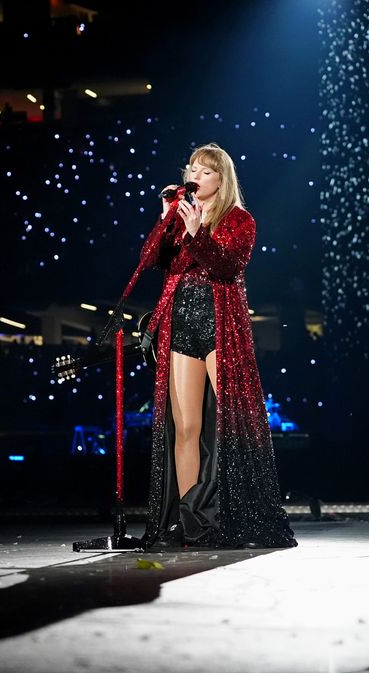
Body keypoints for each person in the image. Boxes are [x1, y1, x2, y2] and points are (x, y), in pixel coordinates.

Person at [100, 143, 295, 550]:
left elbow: (228, 266)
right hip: (181, 321)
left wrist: (196, 234)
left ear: (221, 179)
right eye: (191, 168)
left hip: (219, 321)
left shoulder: (240, 220)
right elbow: (150, 258)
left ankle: (235, 511)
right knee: (185, 426)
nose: (195, 175)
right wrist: (166, 218)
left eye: (204, 171)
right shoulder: (179, 215)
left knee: (229, 422)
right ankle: (188, 520)